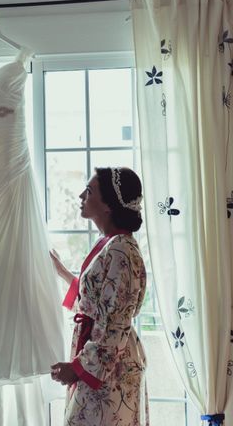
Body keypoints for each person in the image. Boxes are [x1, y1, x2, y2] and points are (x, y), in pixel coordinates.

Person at [49, 166, 149, 425]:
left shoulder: (121, 251)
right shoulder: (113, 244)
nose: (82, 195)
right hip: (104, 359)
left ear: (108, 205)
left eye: (90, 190)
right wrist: (61, 272)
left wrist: (77, 369)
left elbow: (114, 326)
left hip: (110, 367)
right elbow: (98, 305)